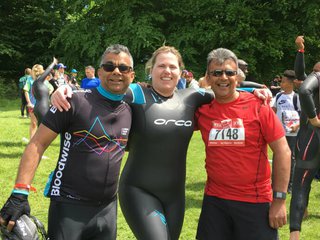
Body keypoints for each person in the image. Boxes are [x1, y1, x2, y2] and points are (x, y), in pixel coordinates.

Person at [50, 46, 271, 240]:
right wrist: (65, 90)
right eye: (161, 66)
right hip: (139, 190)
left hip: (175, 194)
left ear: (181, 72)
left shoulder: (191, 97)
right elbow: (106, 88)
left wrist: (256, 90)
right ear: (151, 70)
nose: (167, 71)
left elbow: (225, 88)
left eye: (173, 67)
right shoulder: (136, 93)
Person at [0, 44, 135, 240]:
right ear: (99, 72)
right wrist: (19, 193)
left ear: (131, 75)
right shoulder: (73, 101)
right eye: (109, 66)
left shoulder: (131, 109)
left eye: (123, 68)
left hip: (107, 209)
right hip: (69, 207)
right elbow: (37, 144)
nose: (116, 71)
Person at [195, 48, 291, 240]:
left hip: (254, 201)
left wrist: (279, 200)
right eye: (217, 73)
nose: (224, 77)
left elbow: (283, 152)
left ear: (237, 76)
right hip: (215, 201)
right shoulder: (201, 109)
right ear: (208, 77)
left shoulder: (259, 106)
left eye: (229, 72)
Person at [289, 36, 320, 240]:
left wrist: (313, 118)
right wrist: (300, 51)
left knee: (301, 182)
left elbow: (304, 89)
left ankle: (294, 235)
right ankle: (305, 209)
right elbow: (301, 77)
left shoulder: (318, 75)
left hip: (312, 134)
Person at [272, 70, 300, 193]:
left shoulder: (296, 97)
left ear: (290, 83)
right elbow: (272, 111)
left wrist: (297, 126)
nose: (281, 84)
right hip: (278, 133)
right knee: (277, 155)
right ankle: (274, 183)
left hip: (292, 133)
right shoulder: (278, 96)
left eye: (283, 82)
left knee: (291, 157)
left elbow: (303, 114)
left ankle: (289, 185)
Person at [32, 58, 57, 125]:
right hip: (42, 108)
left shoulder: (36, 83)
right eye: (43, 69)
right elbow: (48, 70)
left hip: (38, 108)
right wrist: (54, 63)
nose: (44, 70)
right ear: (41, 71)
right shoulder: (39, 81)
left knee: (41, 130)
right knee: (45, 130)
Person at [23, 66, 38, 139]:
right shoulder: (29, 79)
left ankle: (40, 140)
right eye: (34, 71)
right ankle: (32, 140)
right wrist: (29, 102)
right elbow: (26, 90)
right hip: (32, 104)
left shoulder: (42, 79)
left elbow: (50, 88)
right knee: (34, 123)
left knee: (42, 124)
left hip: (42, 105)